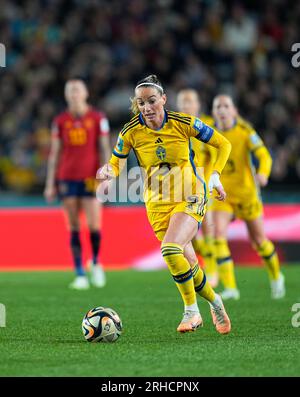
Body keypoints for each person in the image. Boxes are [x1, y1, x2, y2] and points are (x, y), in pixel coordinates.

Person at [98, 75, 232, 334]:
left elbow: (222, 143)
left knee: (170, 249)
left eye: (151, 101)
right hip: (156, 203)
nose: (146, 108)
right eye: (140, 103)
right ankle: (216, 302)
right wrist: (109, 172)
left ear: (163, 99)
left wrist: (214, 174)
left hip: (191, 194)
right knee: (189, 264)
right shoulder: (130, 131)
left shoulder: (183, 123)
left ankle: (191, 312)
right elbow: (116, 161)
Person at [209, 94, 285, 300]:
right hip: (221, 195)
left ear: (234, 111)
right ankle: (232, 288)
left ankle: (276, 277)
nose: (222, 110)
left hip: (246, 194)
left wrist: (263, 173)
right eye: (218, 107)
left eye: (226, 106)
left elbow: (264, 155)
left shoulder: (245, 131)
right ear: (214, 112)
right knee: (218, 237)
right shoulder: (209, 133)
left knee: (259, 241)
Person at [44, 78, 111, 290]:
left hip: (91, 178)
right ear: (66, 95)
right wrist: (50, 183)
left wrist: (106, 175)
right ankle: (80, 272)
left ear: (85, 94)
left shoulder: (97, 118)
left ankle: (96, 262)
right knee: (73, 226)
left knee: (94, 225)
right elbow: (55, 153)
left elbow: (103, 148)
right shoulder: (60, 120)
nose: (74, 94)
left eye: (77, 90)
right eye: (70, 91)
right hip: (67, 177)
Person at [176, 89, 219, 288]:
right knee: (191, 235)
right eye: (183, 102)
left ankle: (212, 270)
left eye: (189, 102)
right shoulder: (175, 126)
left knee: (207, 227)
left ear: (198, 105)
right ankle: (203, 265)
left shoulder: (206, 125)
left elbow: (218, 151)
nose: (186, 106)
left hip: (202, 185)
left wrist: (214, 178)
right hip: (181, 186)